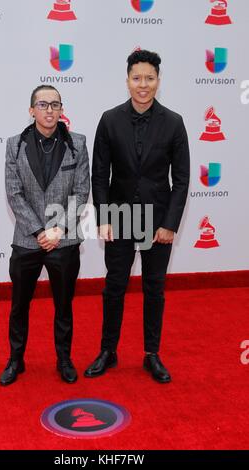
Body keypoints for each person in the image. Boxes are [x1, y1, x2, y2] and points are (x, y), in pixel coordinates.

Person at [84, 50, 190, 383]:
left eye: (149, 78)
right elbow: (99, 174)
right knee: (114, 287)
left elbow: (182, 178)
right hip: (120, 218)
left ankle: (151, 354)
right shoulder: (109, 119)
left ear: (158, 81)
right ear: (127, 80)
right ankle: (108, 351)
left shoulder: (174, 122)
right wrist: (102, 217)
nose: (143, 85)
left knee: (154, 288)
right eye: (136, 78)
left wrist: (170, 224)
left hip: (158, 221)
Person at [0, 85, 90, 385]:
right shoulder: (15, 145)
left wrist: (59, 229)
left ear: (61, 109)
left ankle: (64, 360)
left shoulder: (78, 143)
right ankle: (16, 360)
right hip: (27, 239)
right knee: (19, 304)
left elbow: (81, 191)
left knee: (64, 306)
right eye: (43, 104)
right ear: (31, 110)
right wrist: (40, 231)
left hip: (64, 241)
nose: (49, 110)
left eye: (55, 104)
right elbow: (14, 193)